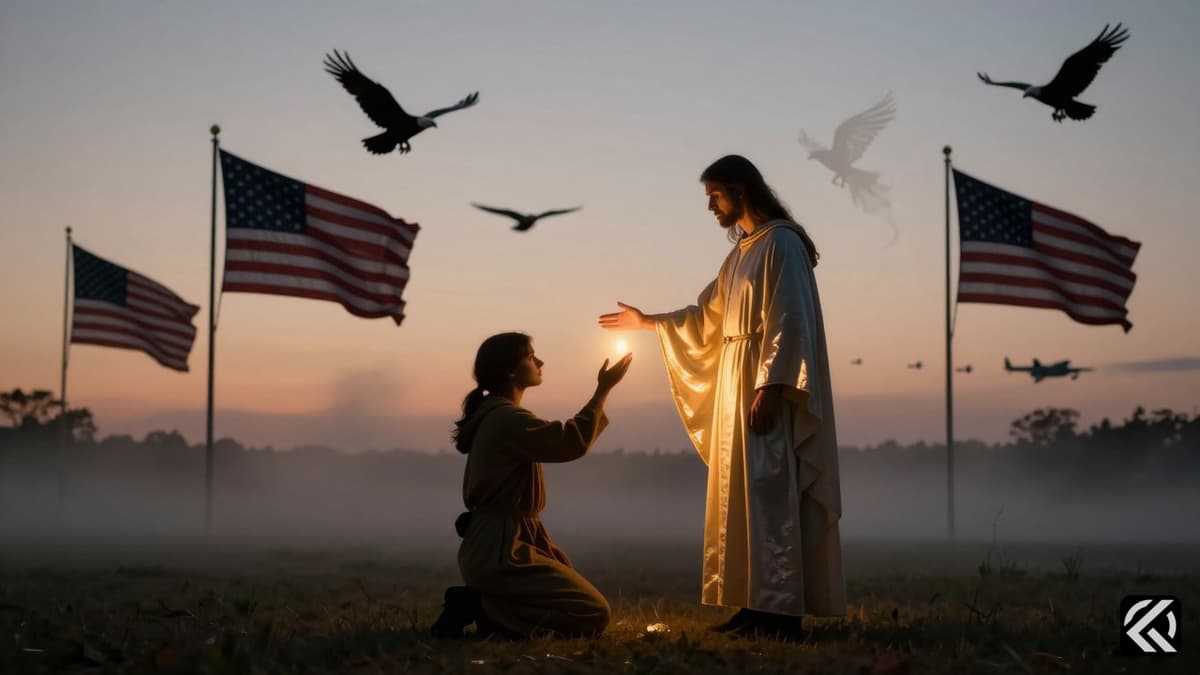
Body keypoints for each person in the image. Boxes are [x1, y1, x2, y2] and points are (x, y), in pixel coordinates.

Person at [597, 154, 846, 639]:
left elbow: (789, 317)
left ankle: (781, 615)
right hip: (737, 380)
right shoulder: (740, 254)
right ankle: (755, 604)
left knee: (771, 491)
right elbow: (705, 317)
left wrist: (770, 387)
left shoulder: (782, 243)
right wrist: (648, 322)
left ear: (739, 190)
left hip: (763, 381)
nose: (711, 206)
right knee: (744, 495)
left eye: (715, 195)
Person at [431, 332, 633, 639]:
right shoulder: (505, 419)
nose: (540, 362)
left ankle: (487, 610)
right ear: (510, 370)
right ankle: (482, 606)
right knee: (592, 612)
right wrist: (602, 390)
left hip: (503, 543)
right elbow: (568, 441)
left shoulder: (501, 416)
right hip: (500, 551)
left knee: (578, 605)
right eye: (530, 356)